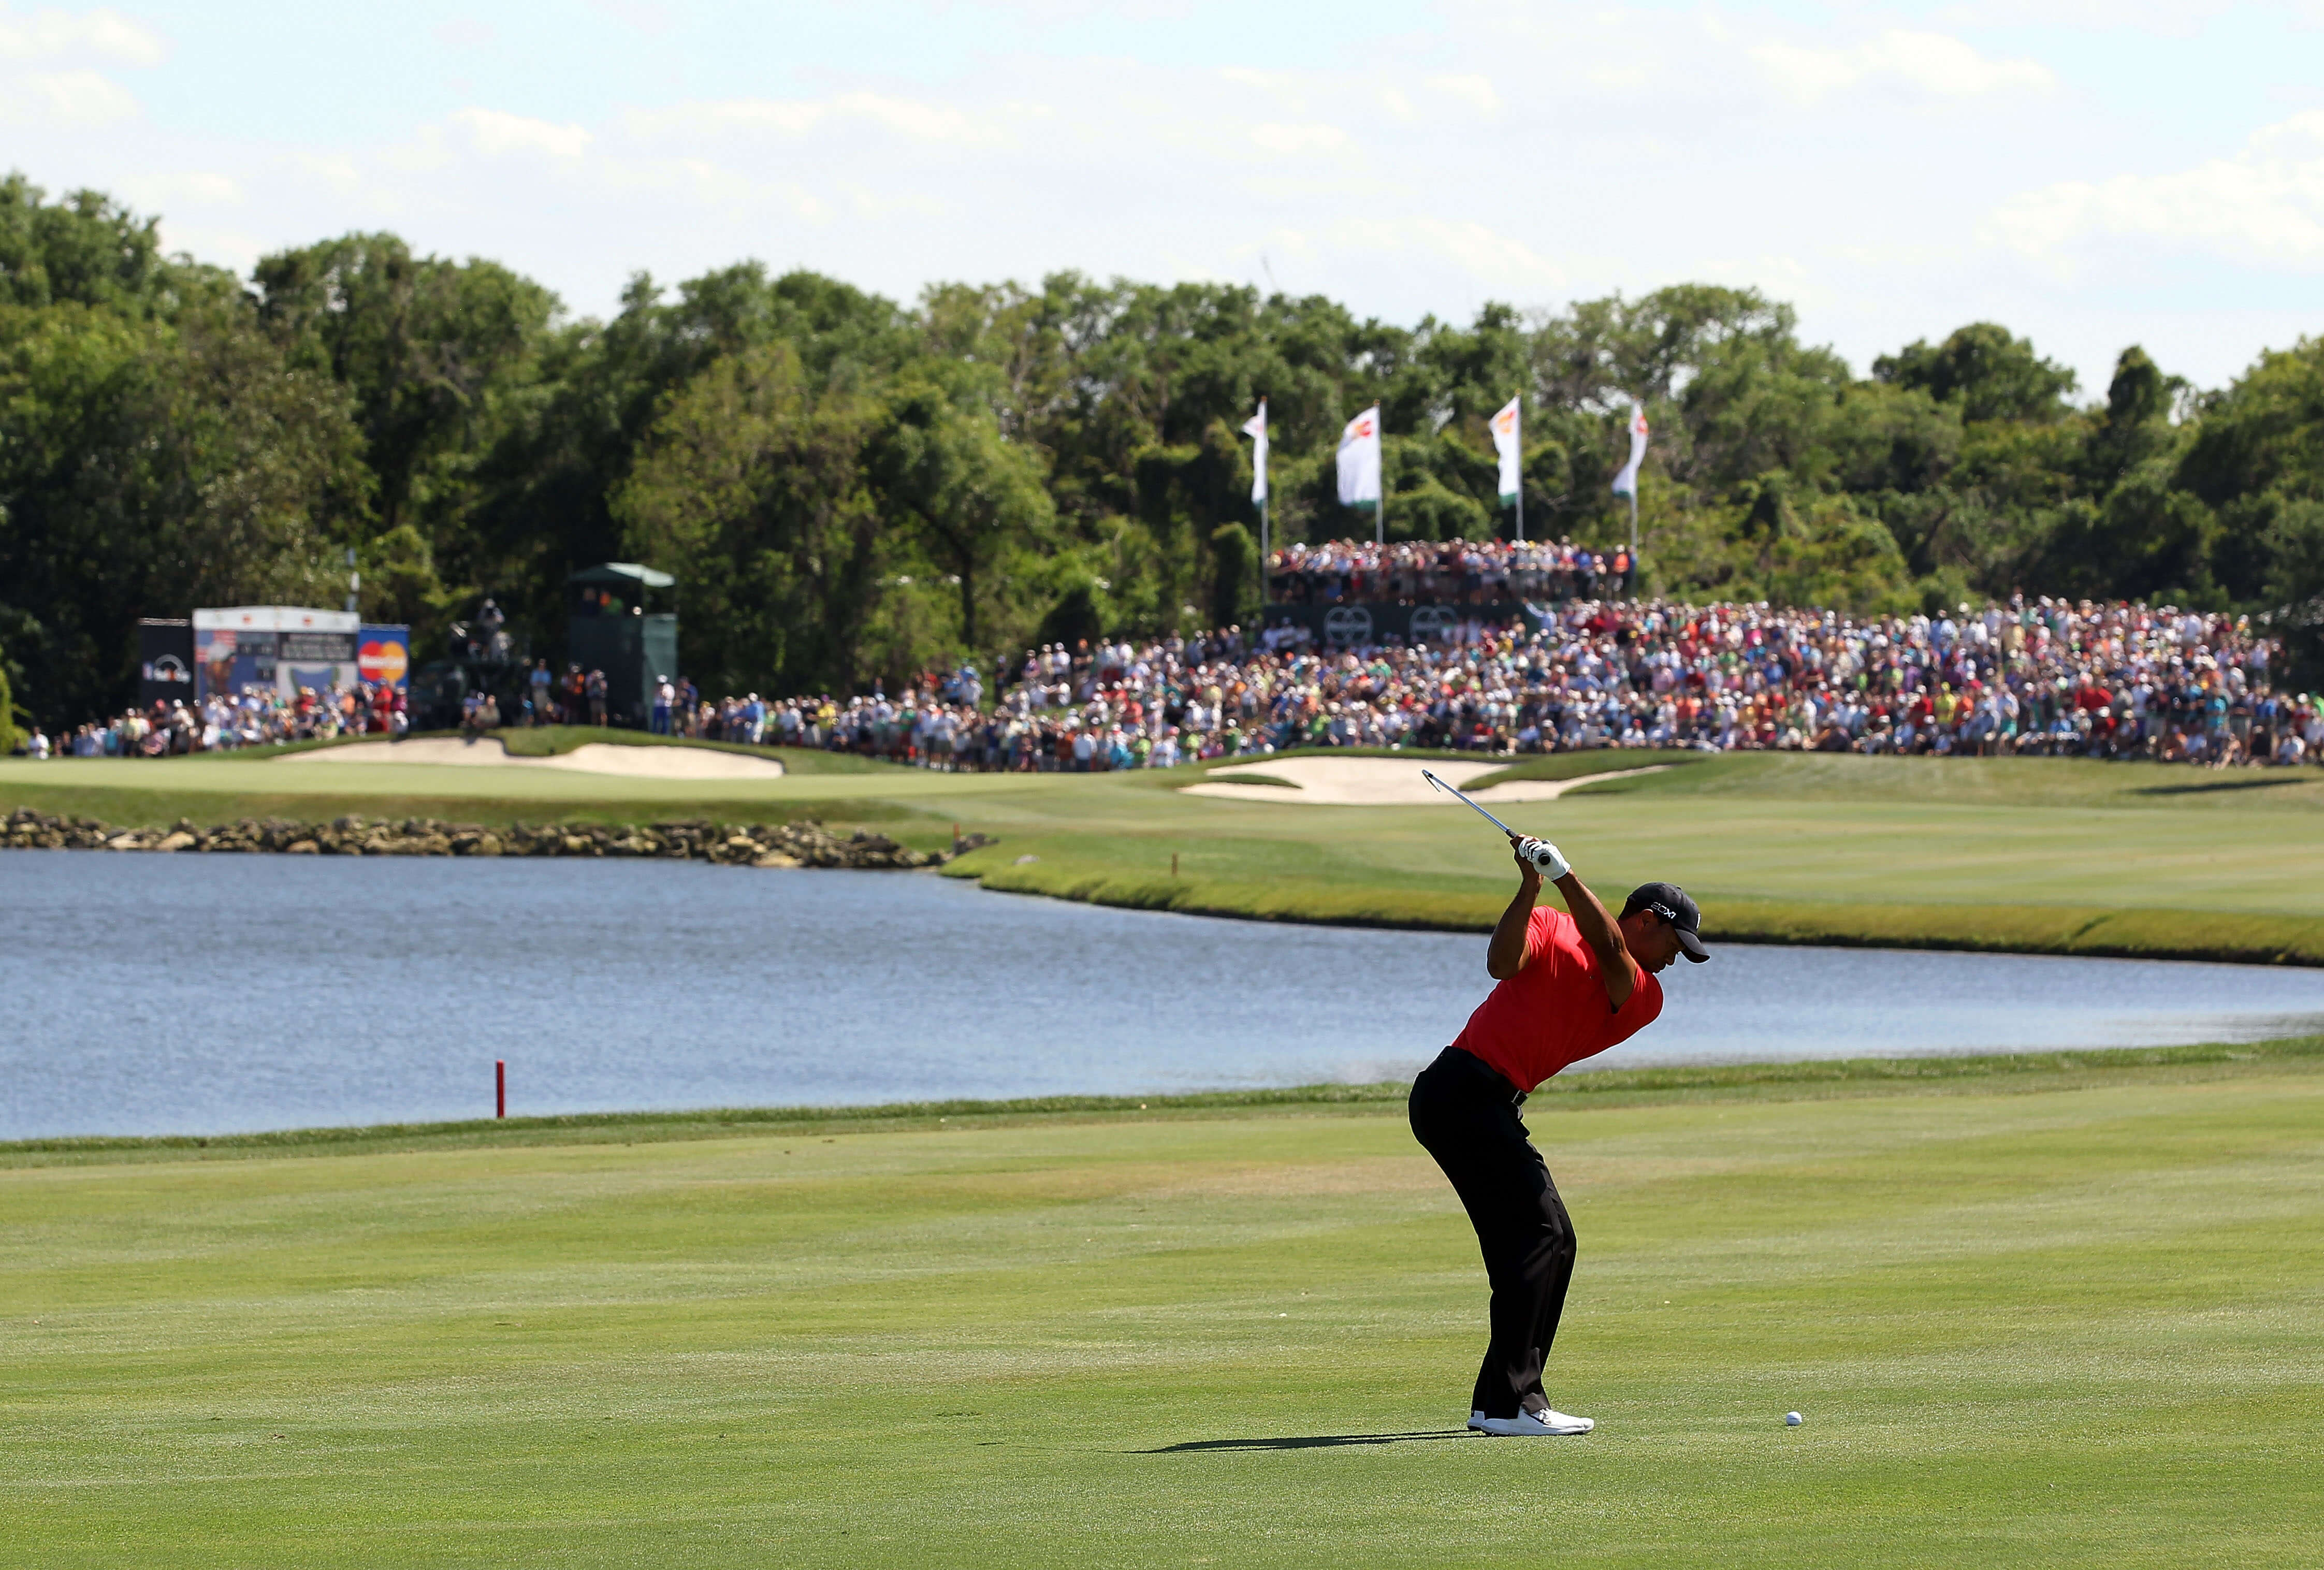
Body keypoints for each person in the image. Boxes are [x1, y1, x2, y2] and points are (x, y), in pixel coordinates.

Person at [1407, 834, 1707, 1437]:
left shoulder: (1642, 992)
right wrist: (1531, 885)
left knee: (1549, 1242)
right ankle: (1511, 1403)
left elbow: (1607, 946)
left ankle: (1501, 1399)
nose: (1677, 957)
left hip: (1483, 1103)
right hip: (1458, 1090)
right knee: (1543, 1234)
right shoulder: (1548, 921)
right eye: (1676, 943)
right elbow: (1500, 964)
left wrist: (1566, 874)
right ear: (1648, 921)